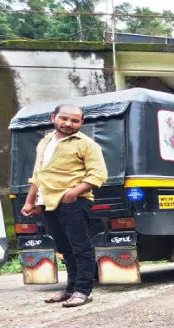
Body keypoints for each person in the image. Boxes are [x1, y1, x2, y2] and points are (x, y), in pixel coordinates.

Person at [21, 104, 107, 308]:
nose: (68, 123)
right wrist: (30, 200)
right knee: (65, 248)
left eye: (75, 120)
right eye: (64, 118)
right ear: (53, 117)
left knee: (80, 247)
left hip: (73, 201)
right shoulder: (45, 141)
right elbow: (37, 174)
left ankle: (83, 291)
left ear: (81, 123)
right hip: (47, 202)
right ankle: (70, 290)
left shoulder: (86, 144)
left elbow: (98, 174)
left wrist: (74, 192)